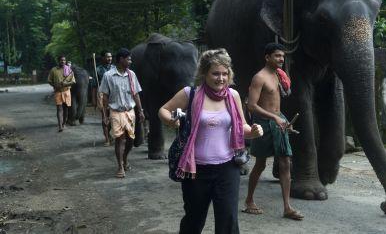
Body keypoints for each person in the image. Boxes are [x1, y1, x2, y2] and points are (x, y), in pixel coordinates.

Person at [158, 49, 263, 234]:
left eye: (225, 73)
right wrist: (170, 120)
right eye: (215, 73)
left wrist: (254, 132)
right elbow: (163, 110)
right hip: (195, 170)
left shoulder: (233, 96)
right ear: (204, 73)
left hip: (228, 168)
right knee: (194, 219)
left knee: (228, 220)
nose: (221, 78)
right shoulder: (190, 94)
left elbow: (242, 127)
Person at [243, 43, 304, 220]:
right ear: (267, 57)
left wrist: (283, 120)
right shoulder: (259, 77)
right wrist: (274, 118)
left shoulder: (278, 76)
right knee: (260, 164)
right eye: (277, 56)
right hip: (263, 123)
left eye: (282, 56)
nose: (281, 59)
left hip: (278, 122)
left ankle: (287, 207)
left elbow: (275, 105)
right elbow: (252, 106)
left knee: (285, 162)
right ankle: (249, 201)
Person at [99, 48, 145, 178]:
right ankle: (120, 166)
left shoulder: (132, 75)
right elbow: (105, 97)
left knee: (130, 140)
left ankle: (125, 158)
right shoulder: (108, 76)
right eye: (128, 59)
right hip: (116, 112)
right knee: (120, 139)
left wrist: (140, 111)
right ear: (121, 59)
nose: (130, 61)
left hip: (130, 112)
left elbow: (135, 94)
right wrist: (105, 115)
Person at [47, 55, 76, 132]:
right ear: (58, 61)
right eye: (61, 60)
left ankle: (63, 123)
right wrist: (55, 85)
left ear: (65, 61)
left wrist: (65, 84)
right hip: (58, 92)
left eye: (64, 60)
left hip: (66, 91)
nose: (63, 61)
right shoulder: (54, 70)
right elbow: (49, 80)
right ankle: (60, 126)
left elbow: (73, 81)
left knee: (66, 109)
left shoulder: (69, 70)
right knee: (59, 109)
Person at [95, 50, 115, 146]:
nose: (109, 59)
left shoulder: (115, 68)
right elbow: (95, 86)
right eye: (107, 57)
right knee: (104, 117)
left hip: (113, 95)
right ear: (102, 58)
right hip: (102, 94)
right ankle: (107, 139)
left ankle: (109, 134)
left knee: (113, 117)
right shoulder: (98, 70)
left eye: (110, 57)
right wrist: (95, 100)